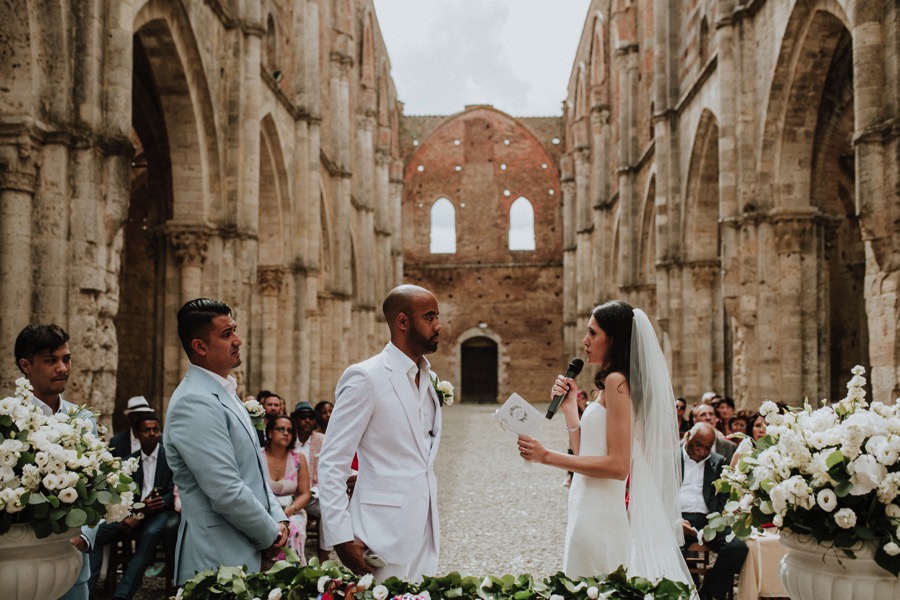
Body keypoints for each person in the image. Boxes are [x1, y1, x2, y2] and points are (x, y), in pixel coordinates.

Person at [516, 301, 691, 583]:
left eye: (593, 333)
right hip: (585, 503)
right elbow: (589, 450)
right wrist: (571, 408)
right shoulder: (611, 383)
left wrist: (546, 456)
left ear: (614, 339)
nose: (585, 341)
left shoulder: (617, 382)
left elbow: (618, 465)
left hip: (601, 514)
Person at [318, 284, 443, 581]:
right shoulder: (365, 377)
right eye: (429, 317)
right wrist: (341, 536)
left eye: (437, 317)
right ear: (402, 322)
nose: (438, 326)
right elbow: (332, 461)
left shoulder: (431, 379)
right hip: (380, 534)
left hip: (425, 529)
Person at [163, 298, 288, 585]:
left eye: (235, 330)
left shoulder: (224, 392)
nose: (237, 340)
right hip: (216, 559)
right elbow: (225, 488)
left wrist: (278, 519)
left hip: (243, 549)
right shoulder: (194, 401)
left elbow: (254, 471)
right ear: (200, 346)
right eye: (226, 334)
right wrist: (269, 534)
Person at [14, 324, 98, 600]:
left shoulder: (84, 420)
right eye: (51, 361)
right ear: (26, 365)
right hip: (19, 567)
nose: (62, 368)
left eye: (66, 359)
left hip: (73, 563)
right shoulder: (8, 418)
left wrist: (85, 536)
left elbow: (97, 488)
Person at [88, 413, 179, 600]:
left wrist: (150, 508)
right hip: (133, 512)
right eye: (146, 430)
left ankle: (122, 595)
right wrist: (137, 513)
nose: (152, 434)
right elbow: (123, 496)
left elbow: (173, 492)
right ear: (136, 434)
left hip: (161, 513)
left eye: (156, 430)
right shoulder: (129, 461)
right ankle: (86, 593)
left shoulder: (169, 457)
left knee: (151, 533)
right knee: (96, 533)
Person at [679, 423, 748, 599]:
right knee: (671, 548)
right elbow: (660, 495)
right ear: (688, 437)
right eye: (698, 445)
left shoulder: (718, 461)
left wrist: (715, 522)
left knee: (737, 547)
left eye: (707, 448)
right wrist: (675, 521)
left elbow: (723, 497)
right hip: (678, 519)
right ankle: (680, 593)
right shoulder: (671, 459)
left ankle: (707, 594)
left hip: (708, 518)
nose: (702, 451)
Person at [262, 415, 311, 565]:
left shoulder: (298, 458)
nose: (286, 433)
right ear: (270, 432)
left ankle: (291, 569)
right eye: (281, 429)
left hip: (291, 510)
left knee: (293, 527)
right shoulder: (257, 455)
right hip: (263, 508)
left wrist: (288, 512)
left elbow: (305, 493)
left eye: (290, 430)